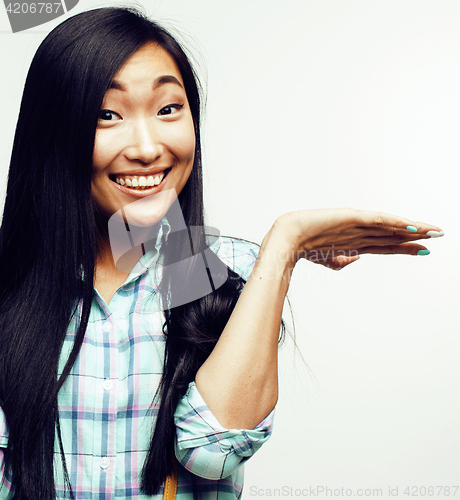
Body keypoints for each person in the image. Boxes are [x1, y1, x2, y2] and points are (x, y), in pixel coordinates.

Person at [0, 7, 443, 500]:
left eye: (169, 108)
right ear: (53, 131)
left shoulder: (228, 273)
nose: (148, 148)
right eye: (108, 115)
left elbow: (215, 450)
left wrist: (285, 243)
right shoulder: (10, 286)